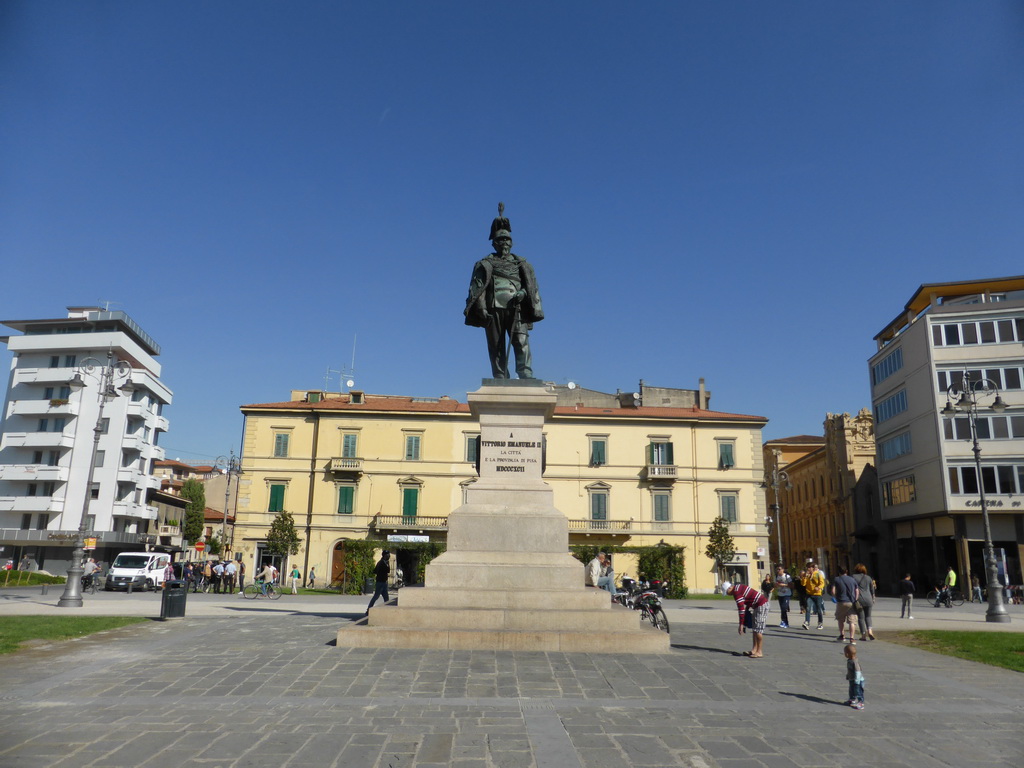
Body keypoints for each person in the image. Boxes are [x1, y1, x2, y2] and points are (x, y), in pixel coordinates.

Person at [463, 204, 544, 379]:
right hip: (494, 307)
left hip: (518, 307)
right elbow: (478, 286)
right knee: (496, 345)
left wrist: (523, 293)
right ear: (494, 243)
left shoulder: (523, 264)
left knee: (521, 341)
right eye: (500, 240)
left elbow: (530, 286)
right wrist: (481, 308)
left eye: (507, 240)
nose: (504, 243)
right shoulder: (484, 263)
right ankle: (500, 376)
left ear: (512, 242)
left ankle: (525, 373)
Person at [722, 580, 769, 658]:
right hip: (758, 605)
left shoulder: (736, 592)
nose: (728, 594)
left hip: (761, 605)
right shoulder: (738, 587)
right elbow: (748, 598)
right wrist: (747, 609)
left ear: (729, 588)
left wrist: (741, 624)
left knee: (758, 629)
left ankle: (759, 651)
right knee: (755, 629)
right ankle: (754, 650)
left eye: (727, 592)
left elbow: (741, 609)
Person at [831, 565, 859, 644]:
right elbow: (857, 591)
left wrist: (835, 597)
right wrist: (855, 599)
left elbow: (833, 591)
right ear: (846, 571)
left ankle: (842, 636)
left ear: (839, 572)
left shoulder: (836, 579)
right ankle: (852, 638)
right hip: (851, 602)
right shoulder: (852, 579)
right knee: (852, 621)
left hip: (841, 602)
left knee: (840, 619)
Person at [851, 563, 876, 641]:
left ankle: (863, 635)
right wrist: (873, 598)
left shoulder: (853, 577)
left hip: (859, 600)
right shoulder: (868, 578)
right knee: (868, 616)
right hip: (869, 599)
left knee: (861, 618)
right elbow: (872, 589)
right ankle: (870, 631)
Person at [801, 562, 827, 630]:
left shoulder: (818, 574)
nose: (808, 569)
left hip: (817, 594)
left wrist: (818, 587)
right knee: (808, 608)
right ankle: (807, 622)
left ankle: (820, 623)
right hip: (809, 594)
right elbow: (803, 584)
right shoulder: (807, 575)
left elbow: (822, 583)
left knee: (818, 609)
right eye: (807, 568)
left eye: (809, 567)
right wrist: (804, 577)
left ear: (812, 568)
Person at [844, 643, 866, 710]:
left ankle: (861, 702)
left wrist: (857, 680)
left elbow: (858, 671)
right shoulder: (850, 661)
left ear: (847, 654)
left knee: (858, 691)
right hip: (852, 679)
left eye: (845, 652)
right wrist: (848, 675)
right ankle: (852, 699)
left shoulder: (854, 662)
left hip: (858, 680)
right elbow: (850, 670)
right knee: (851, 690)